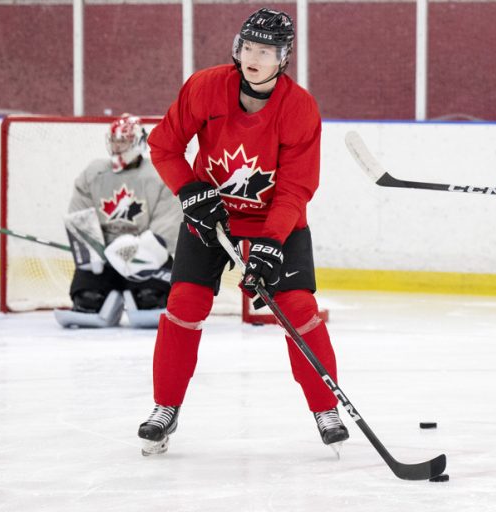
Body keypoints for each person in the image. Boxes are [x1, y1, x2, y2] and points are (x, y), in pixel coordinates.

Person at [136, 8, 348, 455]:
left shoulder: (299, 107)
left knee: (297, 306)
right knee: (184, 303)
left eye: (266, 50)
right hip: (211, 217)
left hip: (276, 222)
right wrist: (190, 190)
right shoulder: (206, 87)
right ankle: (165, 408)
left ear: (283, 58)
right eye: (248, 46)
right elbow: (164, 145)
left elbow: (295, 187)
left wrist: (270, 242)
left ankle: (325, 408)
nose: (254, 56)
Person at [54, 114, 181, 329]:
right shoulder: (94, 173)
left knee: (150, 297)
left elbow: (169, 221)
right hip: (104, 258)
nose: (117, 147)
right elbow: (80, 214)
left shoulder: (159, 174)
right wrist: (89, 250)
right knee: (87, 298)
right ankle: (103, 294)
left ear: (138, 142)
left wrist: (145, 249)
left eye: (124, 141)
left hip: (144, 257)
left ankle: (140, 294)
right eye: (115, 141)